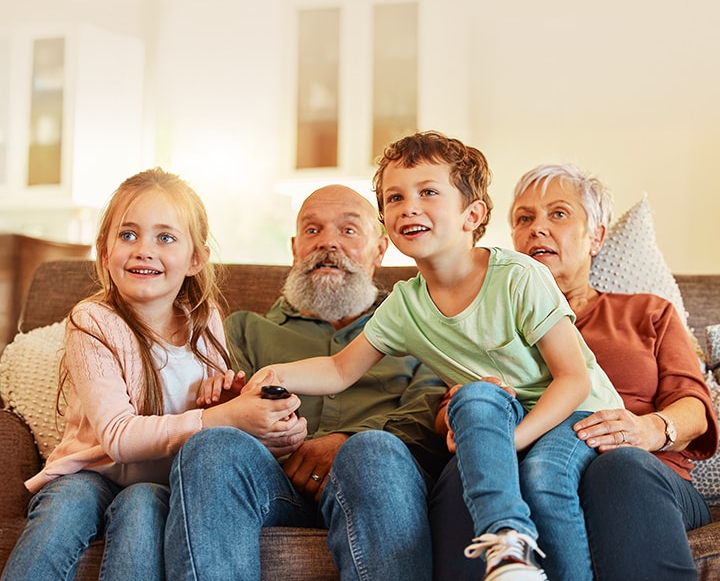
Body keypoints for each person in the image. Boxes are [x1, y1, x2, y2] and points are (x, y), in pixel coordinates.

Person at [245, 132, 624, 581]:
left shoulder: (521, 276)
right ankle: (506, 550)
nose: (409, 207)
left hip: (578, 412)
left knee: (542, 477)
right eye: (395, 197)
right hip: (498, 415)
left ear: (473, 214)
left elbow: (573, 381)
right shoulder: (406, 304)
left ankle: (510, 548)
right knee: (474, 401)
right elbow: (338, 369)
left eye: (428, 192)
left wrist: (515, 440)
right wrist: (274, 373)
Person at [1, 167, 306, 581]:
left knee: (142, 505)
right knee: (66, 504)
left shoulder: (206, 320)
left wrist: (226, 402)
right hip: (92, 472)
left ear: (196, 259)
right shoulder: (92, 322)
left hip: (163, 483)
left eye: (165, 237)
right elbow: (119, 436)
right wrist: (222, 417)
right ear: (105, 252)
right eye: (128, 235)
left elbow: (205, 422)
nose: (144, 249)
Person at [429, 162, 718, 581]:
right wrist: (456, 423)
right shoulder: (485, 318)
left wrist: (650, 430)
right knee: (466, 473)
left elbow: (693, 405)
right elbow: (447, 410)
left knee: (619, 468)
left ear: (596, 237)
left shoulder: (647, 313)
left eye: (559, 214)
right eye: (524, 218)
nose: (537, 229)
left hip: (642, 471)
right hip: (519, 467)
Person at [165, 183, 449, 581]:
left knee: (371, 452)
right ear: (295, 248)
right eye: (313, 231)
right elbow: (229, 417)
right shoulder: (243, 330)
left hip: (378, 478)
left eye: (348, 231)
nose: (327, 244)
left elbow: (431, 409)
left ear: (380, 249)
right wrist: (232, 410)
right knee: (213, 446)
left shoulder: (419, 323)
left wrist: (347, 441)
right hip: (274, 484)